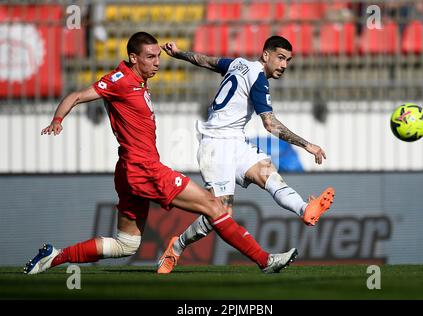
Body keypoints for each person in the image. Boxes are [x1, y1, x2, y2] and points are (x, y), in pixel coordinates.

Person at [23, 32, 297, 275]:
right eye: (150, 57)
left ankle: (54, 256)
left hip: (129, 170)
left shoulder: (139, 80)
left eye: (158, 56)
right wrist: (57, 120)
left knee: (126, 244)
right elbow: (76, 96)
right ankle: (265, 261)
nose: (157, 61)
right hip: (143, 168)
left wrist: (180, 53)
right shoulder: (119, 80)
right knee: (215, 207)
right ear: (133, 57)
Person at [156, 36, 335, 274]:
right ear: (265, 55)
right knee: (219, 215)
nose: (284, 65)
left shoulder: (238, 63)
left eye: (288, 60)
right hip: (215, 146)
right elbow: (270, 125)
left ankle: (305, 210)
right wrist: (307, 145)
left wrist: (179, 53)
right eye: (280, 58)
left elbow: (205, 61)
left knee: (268, 173)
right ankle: (176, 247)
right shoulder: (258, 78)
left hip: (236, 142)